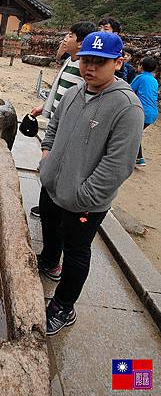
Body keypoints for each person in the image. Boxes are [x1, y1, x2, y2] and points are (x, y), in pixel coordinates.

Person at [38, 31, 143, 335]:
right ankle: (48, 261)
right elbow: (54, 126)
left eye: (100, 62)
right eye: (86, 60)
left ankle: (63, 306)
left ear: (118, 63)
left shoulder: (127, 107)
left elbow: (118, 164)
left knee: (77, 251)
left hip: (84, 202)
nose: (90, 68)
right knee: (50, 228)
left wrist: (82, 195)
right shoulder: (74, 91)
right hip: (53, 185)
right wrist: (47, 159)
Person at [30, 21, 96, 217]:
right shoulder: (70, 61)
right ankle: (47, 207)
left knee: (56, 164)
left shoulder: (84, 69)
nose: (65, 38)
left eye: (70, 35)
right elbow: (58, 89)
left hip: (69, 125)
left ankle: (54, 208)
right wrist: (44, 106)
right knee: (49, 163)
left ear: (81, 43)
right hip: (57, 121)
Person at [130, 56, 159, 167]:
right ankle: (138, 158)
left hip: (142, 112)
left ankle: (138, 158)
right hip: (152, 113)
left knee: (133, 134)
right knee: (135, 133)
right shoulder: (154, 80)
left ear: (141, 66)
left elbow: (129, 90)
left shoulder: (140, 77)